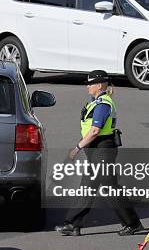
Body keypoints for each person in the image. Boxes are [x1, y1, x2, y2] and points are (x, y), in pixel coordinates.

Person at [55, 70, 143, 236]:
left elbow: (95, 131)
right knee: (87, 187)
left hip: (102, 149)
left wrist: (77, 148)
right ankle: (73, 224)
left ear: (100, 85)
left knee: (110, 188)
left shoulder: (103, 104)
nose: (88, 86)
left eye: (90, 83)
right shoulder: (95, 102)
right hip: (96, 150)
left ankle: (132, 224)